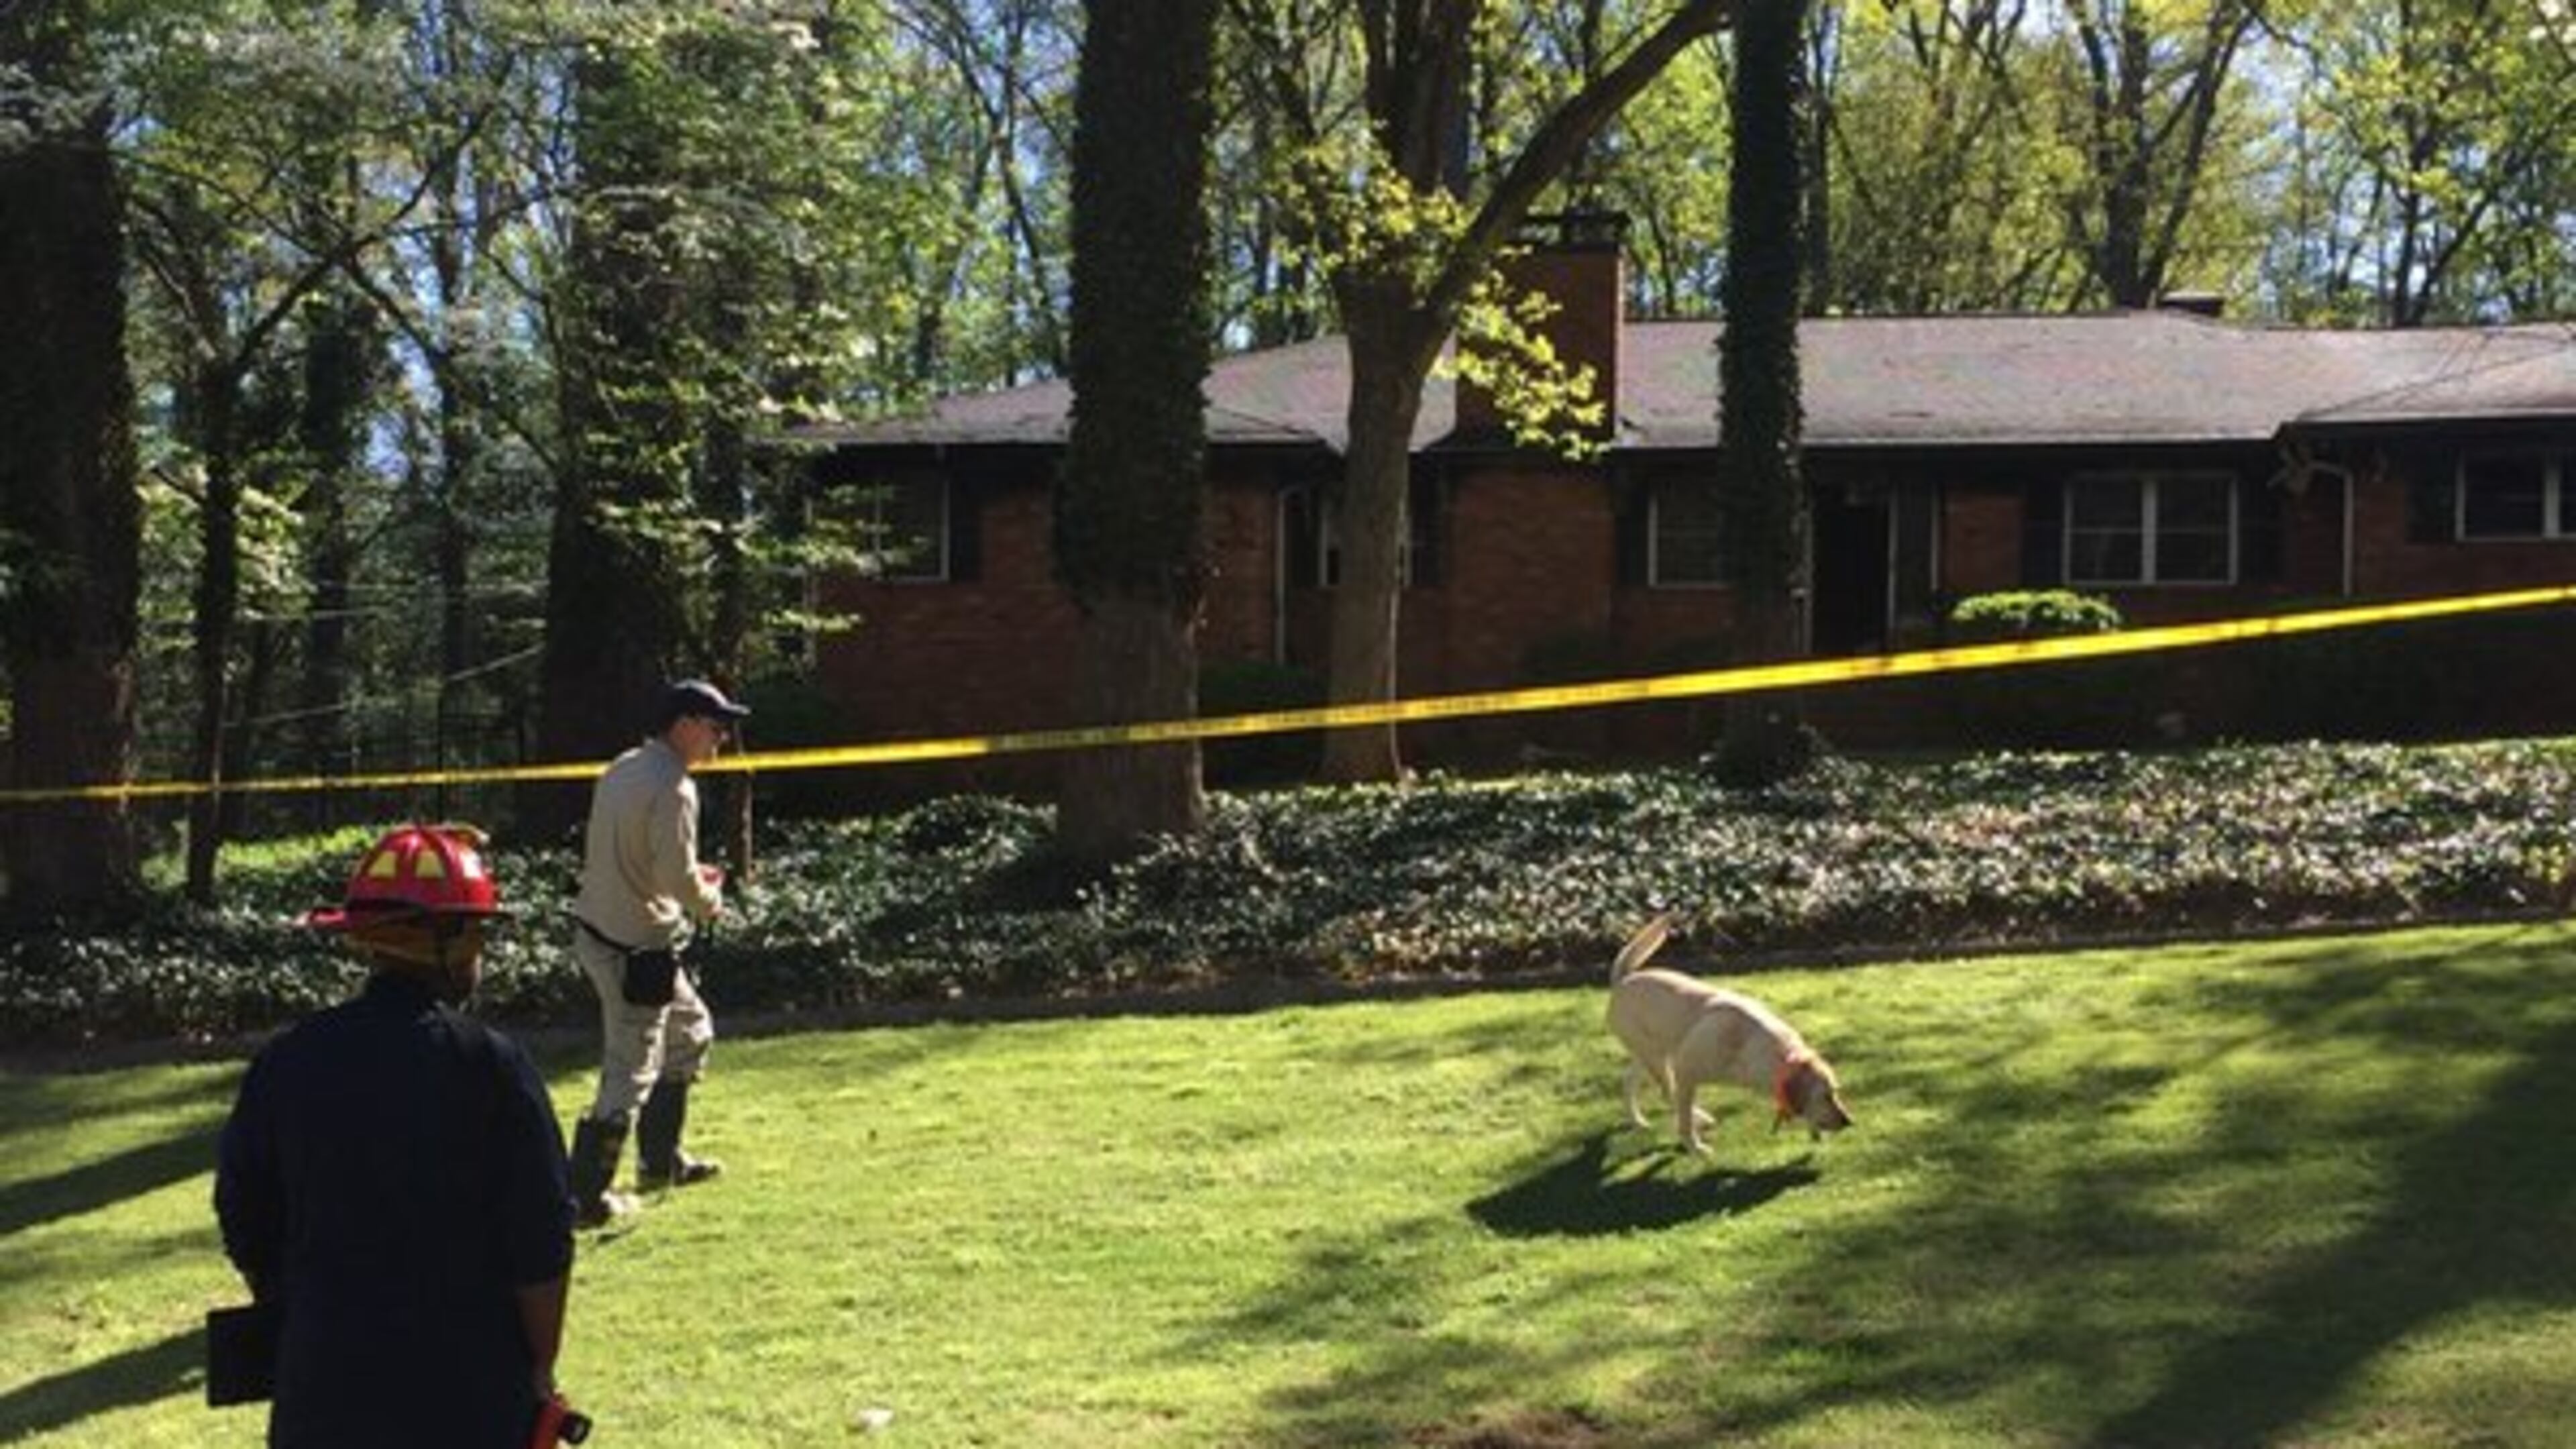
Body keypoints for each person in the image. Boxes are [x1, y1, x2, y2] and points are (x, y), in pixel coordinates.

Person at [215, 823, 576, 1448]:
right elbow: (542, 1244)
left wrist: (299, 1305)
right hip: (469, 1397)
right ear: (450, 941)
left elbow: (243, 1213)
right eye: (478, 932)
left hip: (321, 1394)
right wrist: (540, 1368)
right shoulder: (491, 1066)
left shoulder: (287, 1060)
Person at [564, 677, 748, 1226]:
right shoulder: (674, 785)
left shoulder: (623, 768)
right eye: (716, 729)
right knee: (631, 1071)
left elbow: (643, 861)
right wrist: (708, 898)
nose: (720, 741)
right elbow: (673, 873)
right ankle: (586, 1198)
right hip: (636, 950)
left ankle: (659, 1162)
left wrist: (683, 884)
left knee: (690, 1033)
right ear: (685, 725)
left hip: (611, 933)